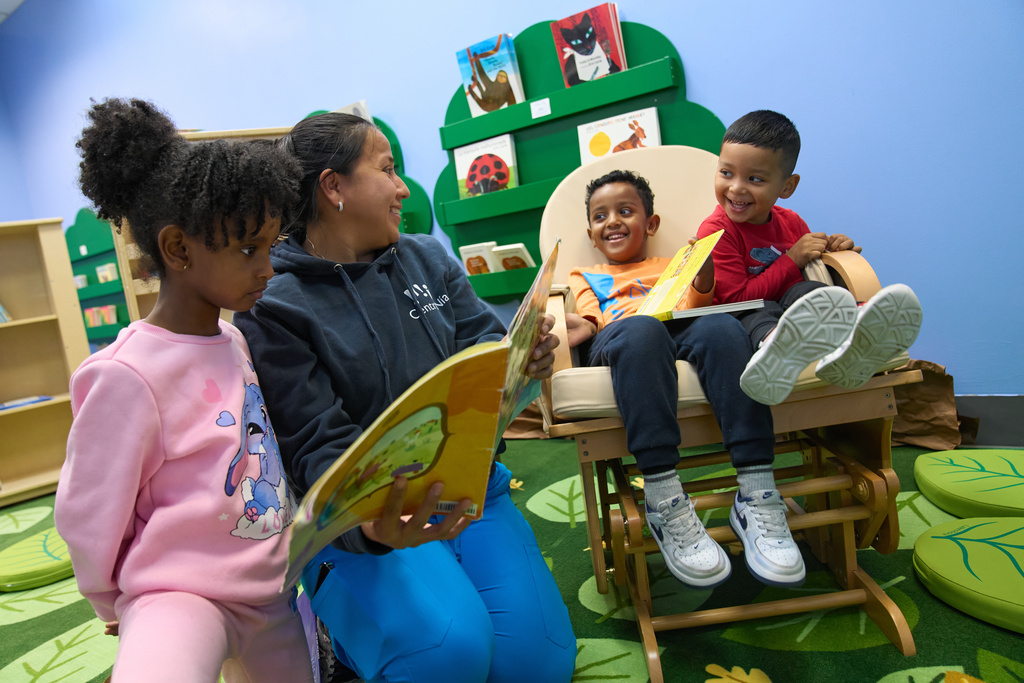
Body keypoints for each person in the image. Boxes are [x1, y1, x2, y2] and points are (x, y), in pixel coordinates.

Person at [233, 112, 577, 683]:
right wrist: (367, 529)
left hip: (472, 495)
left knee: (537, 666)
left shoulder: (426, 257)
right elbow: (315, 446)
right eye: (388, 169)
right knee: (448, 655)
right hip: (375, 521)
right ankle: (339, 634)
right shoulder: (273, 306)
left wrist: (525, 363)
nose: (401, 188)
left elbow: (486, 348)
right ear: (334, 186)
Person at [54, 98, 314, 683]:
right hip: (177, 592)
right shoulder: (125, 373)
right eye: (249, 249)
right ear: (177, 249)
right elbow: (90, 508)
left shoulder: (234, 339)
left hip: (272, 585)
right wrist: (108, 598)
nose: (268, 267)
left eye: (272, 246)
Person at [565, 169, 806, 591]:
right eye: (601, 217)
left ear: (651, 224)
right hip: (620, 338)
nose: (613, 222)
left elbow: (696, 303)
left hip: (674, 328)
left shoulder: (668, 262)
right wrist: (572, 328)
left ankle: (756, 492)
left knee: (722, 328)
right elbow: (587, 319)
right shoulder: (583, 273)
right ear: (590, 231)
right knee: (643, 330)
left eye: (625, 211)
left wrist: (704, 274)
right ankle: (663, 498)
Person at [697, 109, 922, 405]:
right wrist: (792, 258)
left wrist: (832, 249)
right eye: (726, 173)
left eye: (755, 178)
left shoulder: (791, 222)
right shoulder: (714, 230)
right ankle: (775, 351)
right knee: (756, 313)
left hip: (791, 311)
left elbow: (804, 271)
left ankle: (853, 338)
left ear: (787, 187)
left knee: (812, 291)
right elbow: (737, 299)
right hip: (739, 316)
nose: (736, 187)